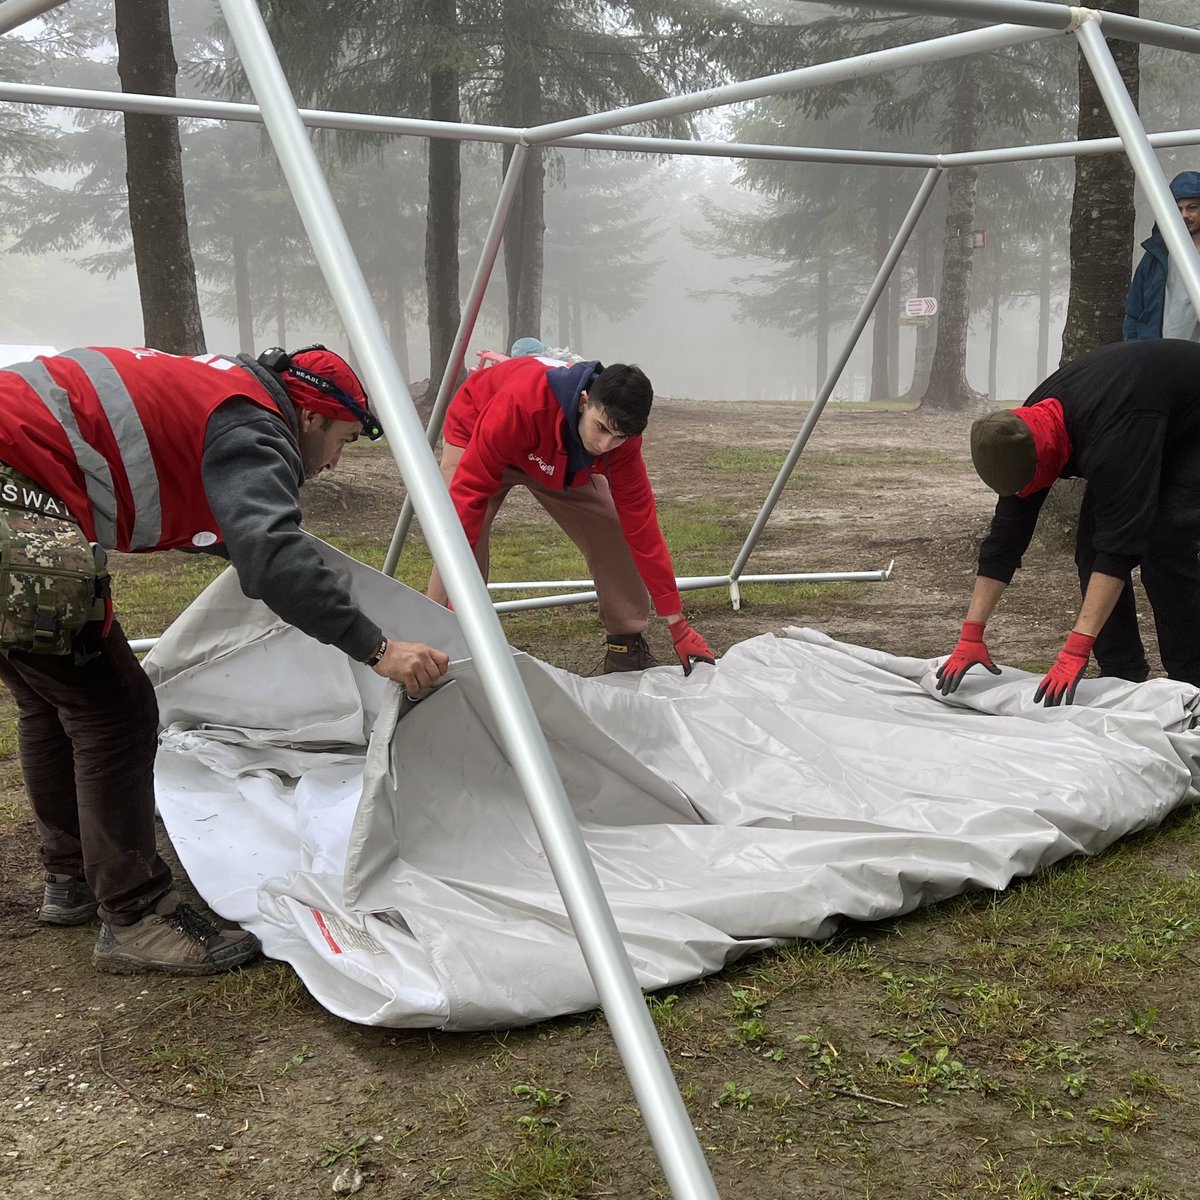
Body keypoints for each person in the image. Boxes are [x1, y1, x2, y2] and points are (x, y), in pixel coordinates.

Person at [0, 344, 449, 975]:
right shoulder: (254, 422)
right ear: (313, 417)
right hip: (11, 496)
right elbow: (267, 553)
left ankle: (71, 875)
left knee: (53, 696)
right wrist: (377, 647)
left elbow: (235, 530)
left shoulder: (218, 391)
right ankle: (135, 915)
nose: (334, 461)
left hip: (16, 483)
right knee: (116, 713)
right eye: (343, 439)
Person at [936, 339, 1200, 707]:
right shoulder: (1016, 430)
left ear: (1047, 459)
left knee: (1165, 547)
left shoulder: (1113, 440)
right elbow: (1006, 538)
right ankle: (1121, 676)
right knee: (1090, 551)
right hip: (1144, 410)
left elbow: (1119, 550)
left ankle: (1193, 684)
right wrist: (971, 634)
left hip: (1187, 419)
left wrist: (1075, 649)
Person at [426, 355, 715, 675]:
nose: (605, 445)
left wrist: (678, 624)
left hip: (560, 454)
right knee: (463, 527)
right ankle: (443, 642)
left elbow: (642, 528)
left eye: (617, 437)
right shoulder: (520, 404)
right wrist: (456, 607)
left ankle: (625, 643)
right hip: (481, 429)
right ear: (584, 401)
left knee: (612, 526)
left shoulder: (621, 445)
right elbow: (468, 501)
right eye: (601, 428)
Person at [1123, 170, 1200, 341]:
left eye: (1192, 207)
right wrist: (1138, 352)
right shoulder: (1155, 255)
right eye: (1178, 209)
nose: (1184, 215)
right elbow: (1133, 313)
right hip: (1159, 358)